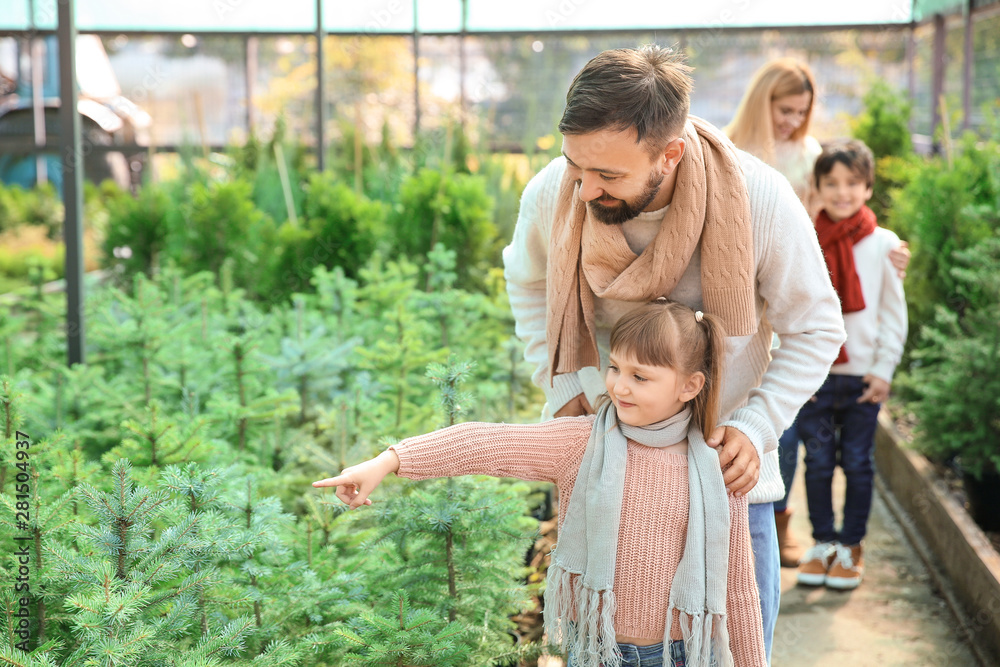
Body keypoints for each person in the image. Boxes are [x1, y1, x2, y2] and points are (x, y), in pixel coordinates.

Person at [501, 45, 847, 664]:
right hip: (610, 482)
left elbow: (817, 328)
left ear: (671, 154)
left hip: (729, 485)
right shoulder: (555, 191)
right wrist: (563, 382)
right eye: (576, 165)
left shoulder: (758, 199)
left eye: (608, 175)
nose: (584, 189)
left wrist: (757, 422)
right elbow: (527, 282)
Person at [313, 301, 767, 667]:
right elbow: (487, 443)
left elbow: (740, 588)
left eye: (640, 376)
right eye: (616, 368)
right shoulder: (583, 442)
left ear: (690, 386)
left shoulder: (717, 467)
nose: (619, 387)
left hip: (681, 655)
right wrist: (390, 460)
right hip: (594, 652)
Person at [724, 58, 912, 568]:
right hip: (738, 295)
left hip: (790, 296)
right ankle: (759, 523)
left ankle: (789, 531)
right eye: (784, 110)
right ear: (762, 101)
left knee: (790, 432)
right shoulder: (725, 147)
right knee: (760, 425)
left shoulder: (810, 157)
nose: (791, 121)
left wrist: (888, 250)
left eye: (801, 112)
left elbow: (843, 219)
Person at [795, 139, 907, 590]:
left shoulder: (884, 245)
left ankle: (851, 546)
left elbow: (893, 314)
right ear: (818, 188)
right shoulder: (804, 238)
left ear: (867, 187)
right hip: (816, 379)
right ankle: (823, 543)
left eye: (852, 183)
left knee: (858, 463)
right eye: (832, 183)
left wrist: (884, 370)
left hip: (862, 379)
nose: (842, 193)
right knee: (818, 464)